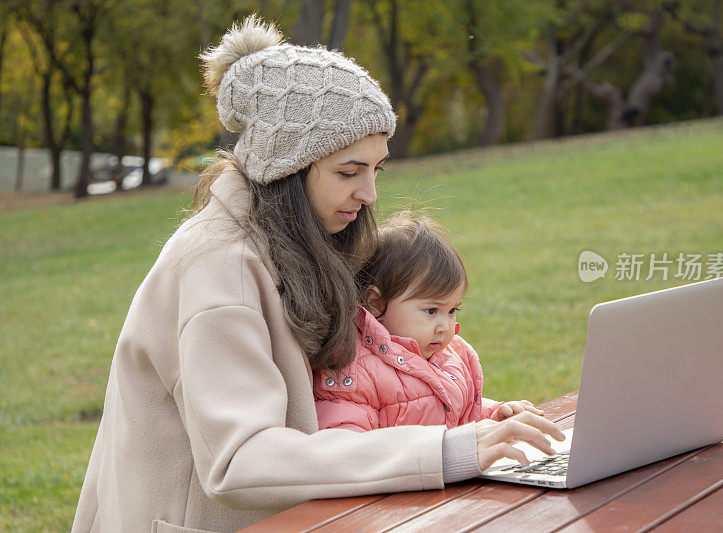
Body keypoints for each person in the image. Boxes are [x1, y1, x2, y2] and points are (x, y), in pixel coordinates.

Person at [72, 15, 564, 533]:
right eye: (349, 172)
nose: (370, 194)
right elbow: (241, 459)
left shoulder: (294, 242)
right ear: (283, 170)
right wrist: (443, 451)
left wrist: (477, 422)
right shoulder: (222, 272)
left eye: (377, 169)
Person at [315, 213, 544, 431]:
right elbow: (347, 446)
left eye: (452, 310)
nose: (445, 326)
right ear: (376, 303)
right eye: (432, 310)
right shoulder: (352, 372)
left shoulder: (446, 358)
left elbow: (458, 415)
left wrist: (493, 416)